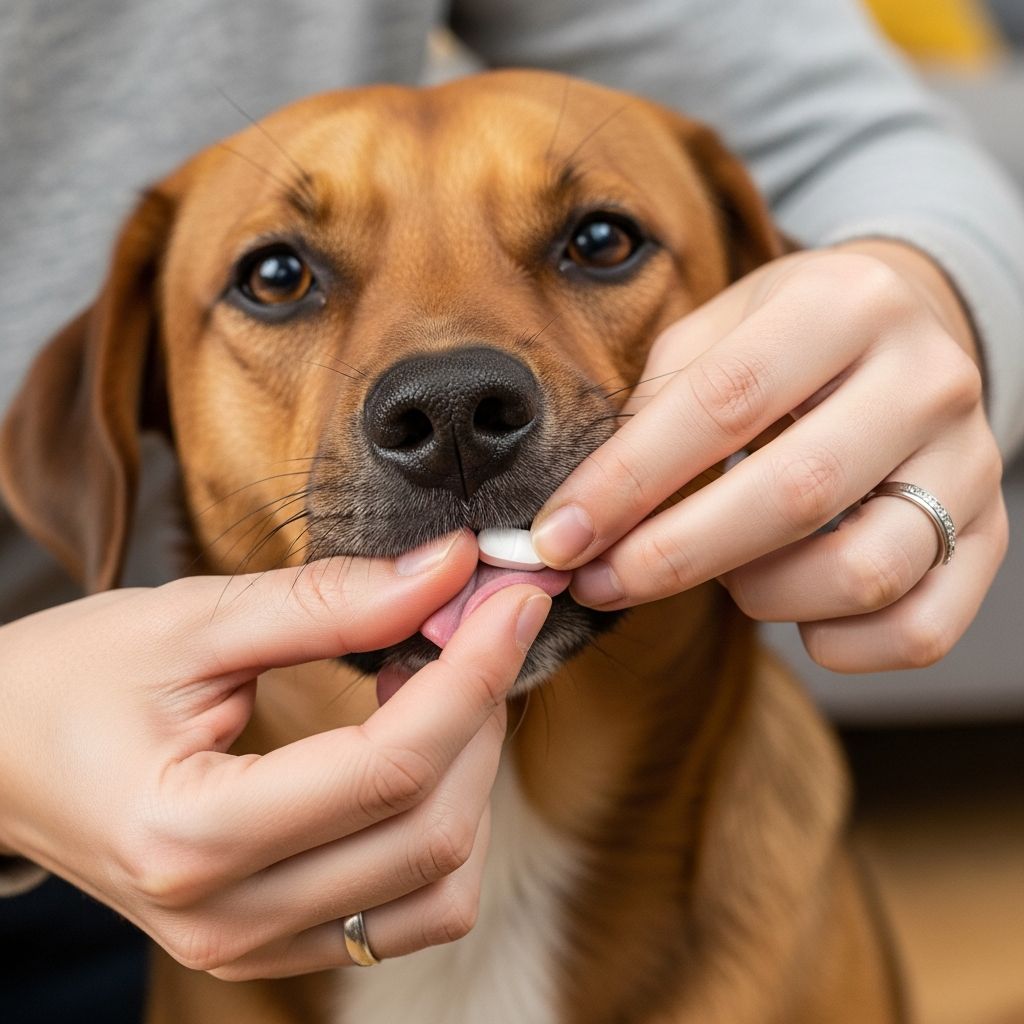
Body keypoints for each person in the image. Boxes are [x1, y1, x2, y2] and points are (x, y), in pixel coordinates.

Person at [1, 0, 1022, 1019]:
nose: (448, 393)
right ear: (136, 407)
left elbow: (840, 138)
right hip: (88, 849)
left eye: (597, 242)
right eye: (281, 279)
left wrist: (928, 298)